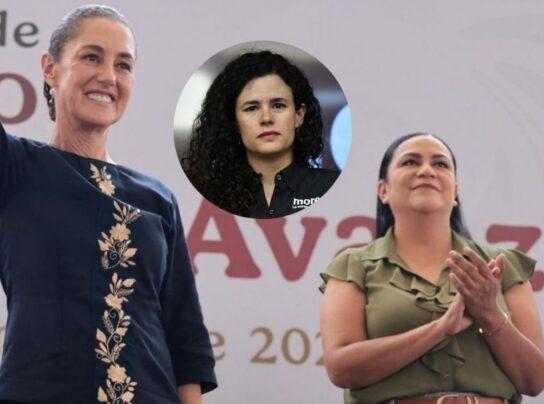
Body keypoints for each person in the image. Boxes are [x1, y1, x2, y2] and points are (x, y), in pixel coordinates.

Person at [0, 5, 216, 404]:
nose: (108, 76)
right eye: (91, 57)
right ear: (50, 68)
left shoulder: (157, 198)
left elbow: (185, 339)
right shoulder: (15, 167)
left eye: (123, 65)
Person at [319, 133, 544, 403]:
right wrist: (440, 329)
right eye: (410, 162)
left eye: (440, 164)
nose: (427, 170)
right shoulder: (353, 266)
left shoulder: (500, 266)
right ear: (383, 191)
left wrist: (489, 313)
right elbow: (341, 369)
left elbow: (535, 381)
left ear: (455, 191)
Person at [182, 50, 340, 218]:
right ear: (234, 122)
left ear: (299, 115)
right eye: (252, 108)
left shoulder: (333, 186)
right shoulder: (208, 194)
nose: (266, 118)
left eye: (278, 105)